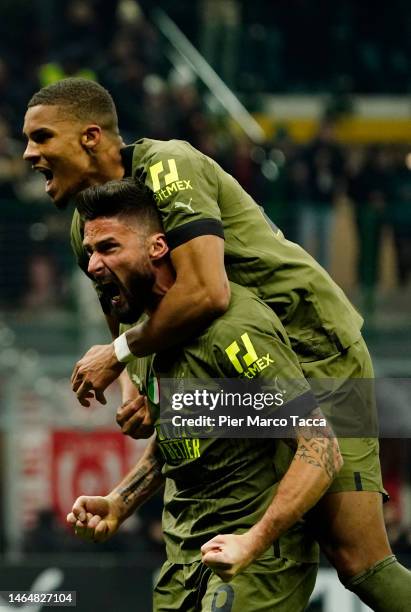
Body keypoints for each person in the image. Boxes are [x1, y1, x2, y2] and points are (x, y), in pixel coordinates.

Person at [23, 77, 411, 609]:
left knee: (359, 563)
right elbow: (121, 306)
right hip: (235, 364)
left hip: (314, 350)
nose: (28, 152)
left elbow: (206, 291)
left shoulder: (169, 166)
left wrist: (118, 357)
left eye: (41, 137)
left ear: (90, 137)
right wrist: (139, 390)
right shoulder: (85, 225)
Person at [67, 178, 342, 610]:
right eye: (89, 253)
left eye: (108, 248)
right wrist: (120, 501)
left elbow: (320, 448)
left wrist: (251, 543)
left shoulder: (234, 328)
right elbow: (185, 433)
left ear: (157, 247)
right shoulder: (144, 336)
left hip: (256, 561)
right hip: (182, 563)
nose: (94, 265)